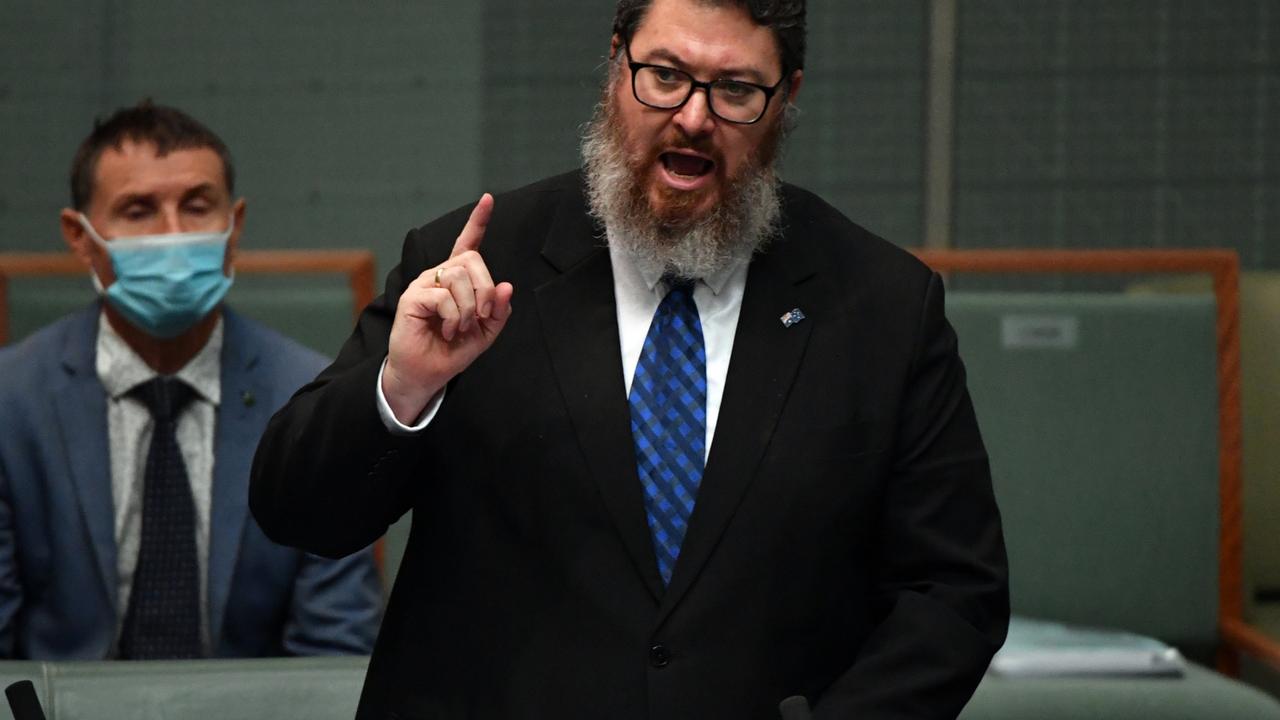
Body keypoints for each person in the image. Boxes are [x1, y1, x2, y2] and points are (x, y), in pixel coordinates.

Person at [251, 0, 1008, 717]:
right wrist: (405, 385)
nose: (694, 117)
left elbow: (952, 592)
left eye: (737, 89)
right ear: (617, 65)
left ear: (787, 99)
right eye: (667, 76)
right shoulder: (476, 260)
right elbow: (298, 511)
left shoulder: (879, 305)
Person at [0, 102, 382, 660]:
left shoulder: (314, 399)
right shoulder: (11, 404)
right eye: (138, 210)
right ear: (79, 236)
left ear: (235, 226)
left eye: (197, 207)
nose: (173, 236)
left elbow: (336, 648)